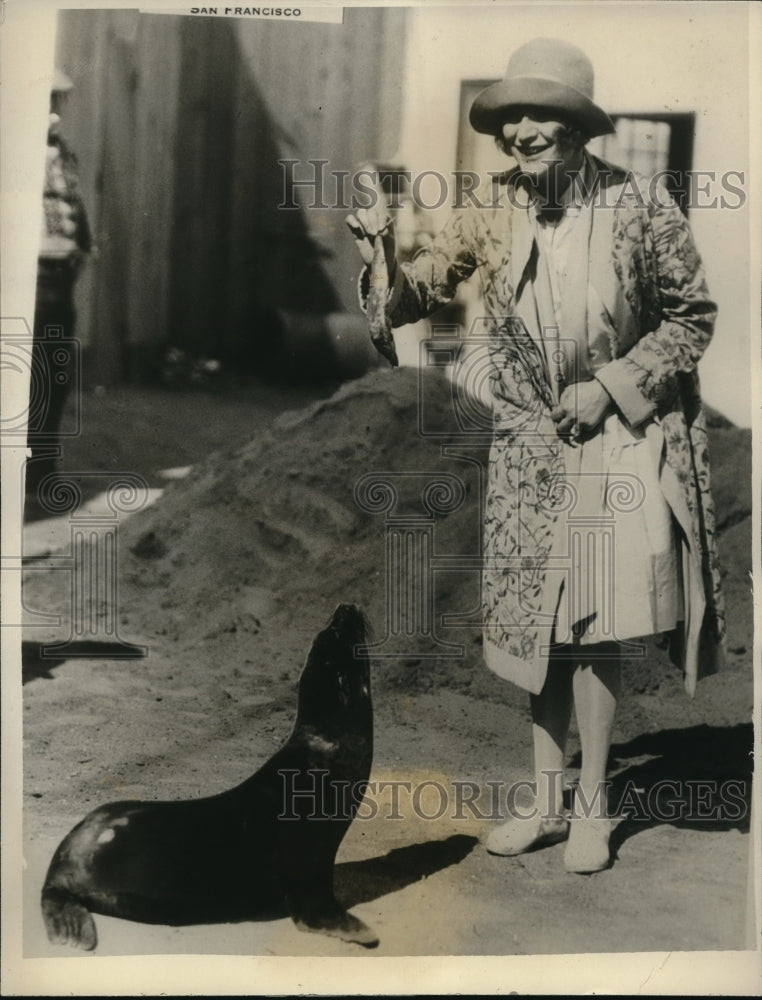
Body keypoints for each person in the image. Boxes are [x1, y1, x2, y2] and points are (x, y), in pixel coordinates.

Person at [347, 37, 725, 873]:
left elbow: (692, 317)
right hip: (527, 441)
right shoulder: (491, 207)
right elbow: (416, 294)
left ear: (578, 126)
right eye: (511, 115)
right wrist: (379, 251)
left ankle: (592, 806)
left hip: (616, 439)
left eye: (541, 114)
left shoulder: (640, 206)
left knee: (593, 624)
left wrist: (612, 388)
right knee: (537, 630)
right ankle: (546, 803)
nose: (522, 130)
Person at [27, 68, 92, 498]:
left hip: (59, 277)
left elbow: (73, 205)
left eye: (58, 102)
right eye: (46, 100)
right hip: (27, 277)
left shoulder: (63, 153)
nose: (54, 113)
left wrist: (82, 247)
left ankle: (39, 468)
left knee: (53, 371)